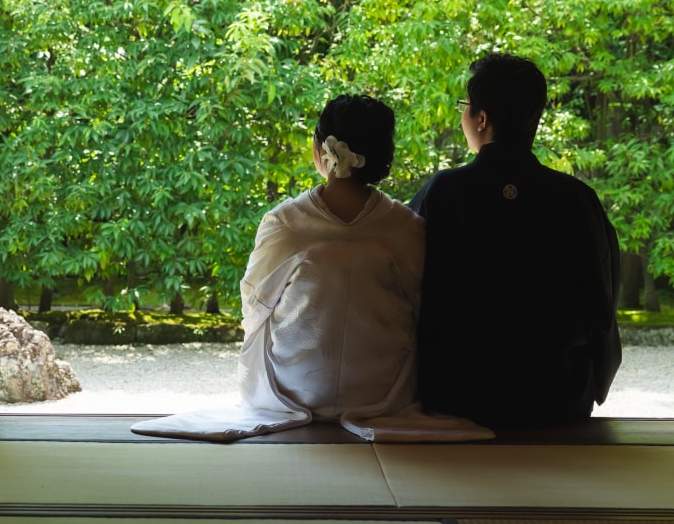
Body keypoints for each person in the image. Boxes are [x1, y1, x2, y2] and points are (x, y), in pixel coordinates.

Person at [132, 94, 493, 442]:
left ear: (320, 150)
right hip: (382, 396)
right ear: (383, 157)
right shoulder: (407, 227)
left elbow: (254, 307)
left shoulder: (285, 222)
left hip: (294, 391)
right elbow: (419, 308)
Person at [410, 53, 622, 428]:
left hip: (457, 397)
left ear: (481, 117)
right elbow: (601, 304)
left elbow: (403, 289)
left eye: (465, 107)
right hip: (558, 398)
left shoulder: (444, 192)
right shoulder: (576, 198)